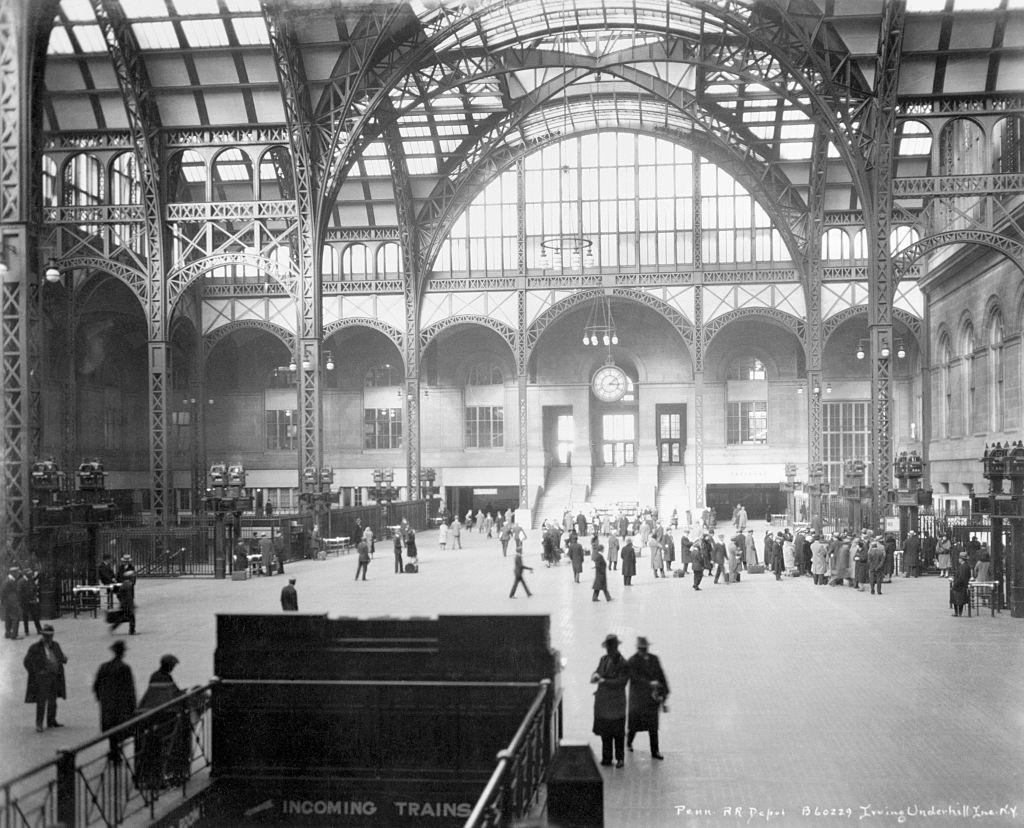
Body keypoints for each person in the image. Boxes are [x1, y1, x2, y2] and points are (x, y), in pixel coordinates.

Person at [136, 655, 189, 790]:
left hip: (150, 716)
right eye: (173, 666)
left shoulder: (154, 675)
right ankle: (167, 775)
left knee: (150, 746)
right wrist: (184, 694)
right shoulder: (166, 678)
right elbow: (173, 695)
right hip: (164, 717)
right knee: (167, 744)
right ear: (169, 666)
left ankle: (148, 776)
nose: (173, 668)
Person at [93, 639, 136, 759]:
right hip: (121, 704)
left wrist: (101, 698)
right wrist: (133, 705)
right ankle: (116, 753)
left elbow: (96, 685)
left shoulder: (104, 667)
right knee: (120, 728)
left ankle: (113, 751)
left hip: (107, 704)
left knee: (110, 728)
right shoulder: (125, 668)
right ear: (122, 653)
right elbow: (130, 689)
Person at [626, 637, 668, 760]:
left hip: (652, 699)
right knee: (634, 725)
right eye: (641, 649)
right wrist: (649, 683)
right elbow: (634, 678)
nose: (643, 651)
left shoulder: (654, 659)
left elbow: (661, 676)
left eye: (644, 648)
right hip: (638, 700)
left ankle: (655, 751)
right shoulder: (632, 661)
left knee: (653, 727)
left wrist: (664, 693)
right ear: (637, 648)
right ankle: (629, 742)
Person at [591, 634, 629, 768]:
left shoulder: (623, 663)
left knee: (618, 733)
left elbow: (622, 682)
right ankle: (607, 757)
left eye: (610, 647)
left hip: (616, 704)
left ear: (615, 647)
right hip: (604, 704)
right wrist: (595, 675)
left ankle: (620, 758)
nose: (608, 650)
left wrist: (604, 681)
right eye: (607, 647)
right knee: (605, 732)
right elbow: (597, 672)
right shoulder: (603, 659)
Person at [23, 625, 67, 732]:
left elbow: (60, 657)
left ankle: (51, 721)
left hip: (54, 676)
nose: (49, 638)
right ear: (42, 635)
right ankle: (39, 723)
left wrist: (63, 659)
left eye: (50, 635)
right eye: (46, 636)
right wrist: (35, 672)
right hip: (42, 678)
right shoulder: (35, 647)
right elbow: (27, 662)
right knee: (41, 701)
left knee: (53, 700)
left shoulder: (55, 645)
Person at [109, 565, 136, 634]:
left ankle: (114, 627)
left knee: (123, 617)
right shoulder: (129, 584)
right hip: (127, 604)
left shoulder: (124, 584)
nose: (134, 578)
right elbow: (129, 596)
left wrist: (122, 601)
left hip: (124, 603)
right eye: (133, 577)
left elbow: (119, 594)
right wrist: (131, 605)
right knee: (131, 617)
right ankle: (131, 631)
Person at [19, 567, 42, 636]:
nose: (31, 574)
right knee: (25, 617)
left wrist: (35, 597)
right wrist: (25, 599)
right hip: (25, 602)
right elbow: (20, 593)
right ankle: (26, 631)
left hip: (32, 601)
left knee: (35, 615)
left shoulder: (31, 580)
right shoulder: (21, 581)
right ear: (25, 574)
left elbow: (34, 588)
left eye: (31, 573)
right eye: (29, 573)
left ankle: (39, 630)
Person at [2, 566, 22, 639]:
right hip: (12, 603)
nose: (18, 574)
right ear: (13, 573)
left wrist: (4, 603)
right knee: (16, 617)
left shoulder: (7, 580)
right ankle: (14, 635)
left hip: (8, 603)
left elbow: (3, 593)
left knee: (8, 618)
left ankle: (8, 633)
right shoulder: (10, 581)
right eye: (17, 573)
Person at [951, 551, 972, 617]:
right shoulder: (966, 566)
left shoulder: (963, 567)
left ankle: (957, 612)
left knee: (957, 599)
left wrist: (955, 583)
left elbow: (961, 577)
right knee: (960, 600)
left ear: (961, 559)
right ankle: (959, 612)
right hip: (963, 585)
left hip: (959, 586)